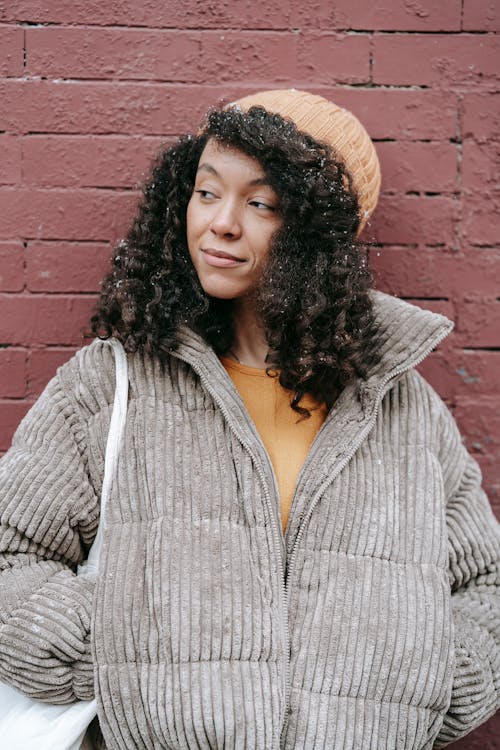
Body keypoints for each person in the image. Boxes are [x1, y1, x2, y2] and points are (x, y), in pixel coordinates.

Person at [0, 89, 498, 750]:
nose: (221, 223)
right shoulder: (112, 383)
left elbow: (483, 585)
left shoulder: (399, 408)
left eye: (260, 203)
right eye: (207, 193)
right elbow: (12, 555)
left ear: (320, 233)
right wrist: (117, 653)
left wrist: (425, 678)